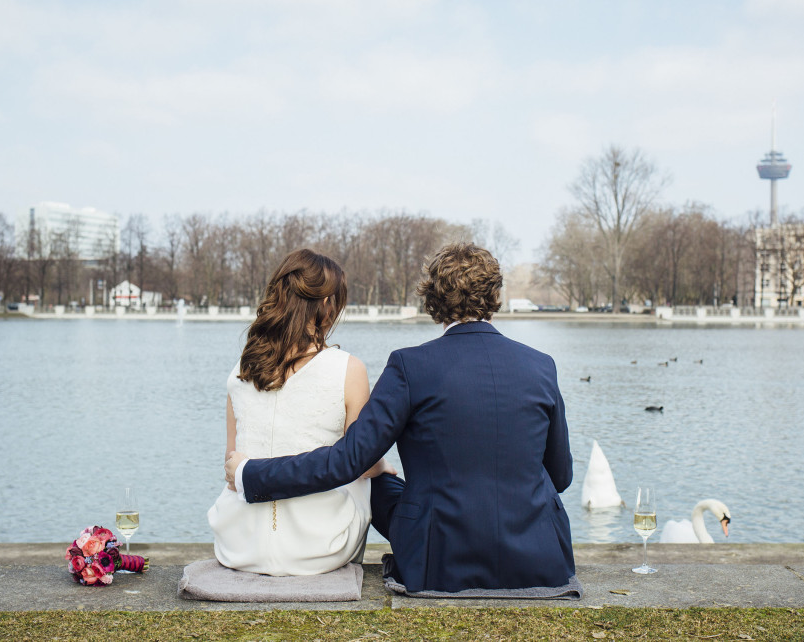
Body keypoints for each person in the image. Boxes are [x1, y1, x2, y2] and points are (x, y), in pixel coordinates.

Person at [225, 243, 575, 593]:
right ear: (496, 295)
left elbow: (348, 461)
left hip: (439, 560)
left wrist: (250, 473)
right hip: (541, 558)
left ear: (432, 300)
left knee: (372, 479)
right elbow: (560, 476)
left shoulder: (410, 366)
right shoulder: (541, 365)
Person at [209, 248, 392, 576]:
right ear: (326, 305)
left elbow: (231, 465)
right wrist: (382, 466)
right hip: (318, 550)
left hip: (238, 546)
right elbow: (358, 463)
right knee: (370, 472)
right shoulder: (350, 369)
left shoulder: (240, 370)